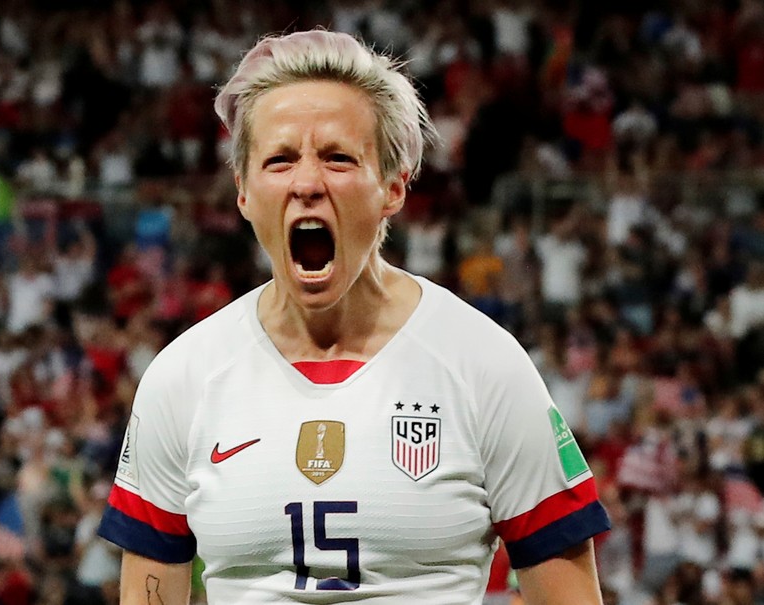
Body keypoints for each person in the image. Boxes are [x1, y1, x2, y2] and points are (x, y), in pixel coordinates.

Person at [97, 29, 610, 604]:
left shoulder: (485, 366)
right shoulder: (182, 378)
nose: (308, 183)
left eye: (338, 158)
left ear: (393, 186)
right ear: (242, 191)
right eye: (280, 159)